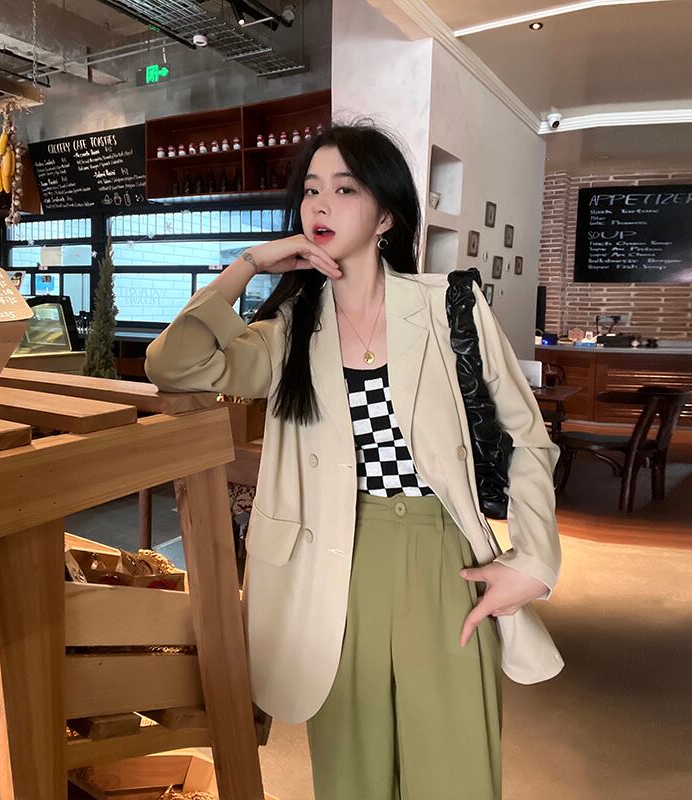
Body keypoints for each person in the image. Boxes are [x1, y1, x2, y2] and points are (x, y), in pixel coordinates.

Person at [145, 122, 563, 800]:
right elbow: (174, 365)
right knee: (352, 778)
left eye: (345, 189)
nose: (320, 205)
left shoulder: (448, 306)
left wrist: (535, 562)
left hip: (443, 559)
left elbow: (528, 438)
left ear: (386, 215)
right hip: (329, 566)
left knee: (453, 774)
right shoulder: (288, 335)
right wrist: (248, 264)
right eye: (311, 190)